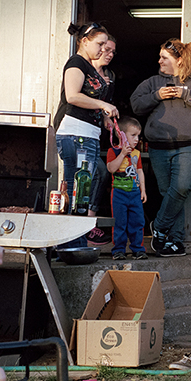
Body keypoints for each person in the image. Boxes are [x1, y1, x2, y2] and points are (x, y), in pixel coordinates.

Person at [130, 38, 191, 257]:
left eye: (164, 57)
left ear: (179, 60)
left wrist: (184, 93)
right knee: (168, 192)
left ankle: (158, 226)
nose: (159, 61)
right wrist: (156, 96)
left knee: (181, 188)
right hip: (159, 146)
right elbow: (135, 104)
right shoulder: (152, 82)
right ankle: (175, 241)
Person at [54, 22, 118, 249]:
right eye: (99, 44)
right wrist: (102, 104)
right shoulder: (76, 63)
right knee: (77, 187)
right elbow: (72, 96)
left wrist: (106, 117)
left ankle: (75, 241)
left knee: (82, 188)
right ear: (84, 41)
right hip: (75, 132)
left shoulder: (90, 66)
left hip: (88, 132)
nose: (103, 49)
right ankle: (69, 243)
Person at [87, 35, 117, 239]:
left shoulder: (110, 76)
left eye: (113, 52)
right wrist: (96, 88)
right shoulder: (82, 70)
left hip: (96, 133)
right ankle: (86, 224)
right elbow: (72, 97)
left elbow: (105, 108)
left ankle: (89, 222)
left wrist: (108, 122)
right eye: (106, 49)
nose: (109, 54)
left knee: (99, 173)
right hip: (78, 131)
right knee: (95, 173)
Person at [106, 116, 148, 261]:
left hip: (134, 192)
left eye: (138, 136)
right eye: (133, 135)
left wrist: (143, 189)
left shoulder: (136, 153)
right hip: (119, 193)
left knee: (137, 221)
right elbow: (111, 168)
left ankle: (138, 249)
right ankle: (118, 250)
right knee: (119, 222)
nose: (136, 139)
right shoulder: (113, 151)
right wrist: (123, 153)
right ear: (121, 135)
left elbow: (140, 171)